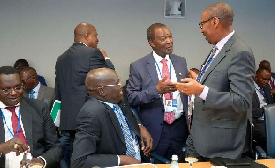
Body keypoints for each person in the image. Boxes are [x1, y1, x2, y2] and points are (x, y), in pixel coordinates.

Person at [175, 2, 255, 160]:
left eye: (202, 24)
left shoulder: (240, 52)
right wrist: (200, 81)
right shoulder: (217, 49)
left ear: (215, 21)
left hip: (220, 146)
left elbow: (242, 100)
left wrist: (201, 90)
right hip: (200, 137)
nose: (201, 30)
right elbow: (220, 83)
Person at [0, 66, 62, 167]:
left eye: (17, 87)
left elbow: (56, 148)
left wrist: (40, 161)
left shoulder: (39, 108)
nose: (13, 93)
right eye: (6, 89)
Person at [126, 23, 189, 163]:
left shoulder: (181, 62)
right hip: (155, 129)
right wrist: (156, 90)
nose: (169, 41)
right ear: (151, 42)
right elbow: (131, 98)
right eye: (163, 38)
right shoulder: (138, 66)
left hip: (180, 126)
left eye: (170, 36)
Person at [55, 22, 115, 167]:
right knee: (89, 161)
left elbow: (58, 90)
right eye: (96, 36)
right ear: (87, 35)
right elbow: (109, 80)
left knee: (73, 160)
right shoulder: (93, 54)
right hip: (90, 120)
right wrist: (106, 59)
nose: (98, 40)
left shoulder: (61, 58)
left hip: (68, 122)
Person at [72, 68, 152, 168]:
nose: (121, 85)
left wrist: (140, 127)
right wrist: (124, 159)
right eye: (117, 83)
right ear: (102, 91)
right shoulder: (91, 113)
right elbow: (80, 161)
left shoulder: (117, 99)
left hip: (143, 162)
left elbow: (131, 116)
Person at [252, 67, 274, 151]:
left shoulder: (267, 87)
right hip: (257, 120)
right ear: (256, 76)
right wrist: (264, 110)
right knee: (269, 136)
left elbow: (271, 104)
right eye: (264, 79)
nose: (266, 82)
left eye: (268, 79)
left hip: (270, 118)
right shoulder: (249, 89)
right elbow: (248, 111)